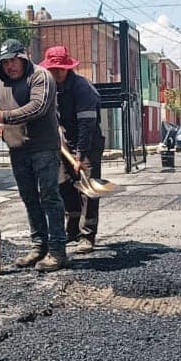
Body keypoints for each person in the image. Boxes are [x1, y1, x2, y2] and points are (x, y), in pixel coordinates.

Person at [0, 38, 68, 271]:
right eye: (6, 62)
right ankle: (38, 247)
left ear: (24, 57)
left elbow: (37, 107)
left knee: (49, 197)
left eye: (14, 60)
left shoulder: (41, 77)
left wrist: (4, 116)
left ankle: (58, 251)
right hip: (17, 150)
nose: (10, 66)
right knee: (29, 199)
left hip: (43, 148)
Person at [38, 45, 103, 255]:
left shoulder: (83, 88)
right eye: (52, 69)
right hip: (64, 141)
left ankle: (87, 235)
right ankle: (72, 229)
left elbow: (87, 126)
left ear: (67, 68)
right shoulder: (50, 88)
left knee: (88, 188)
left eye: (60, 69)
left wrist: (80, 156)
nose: (56, 73)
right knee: (64, 183)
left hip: (89, 142)